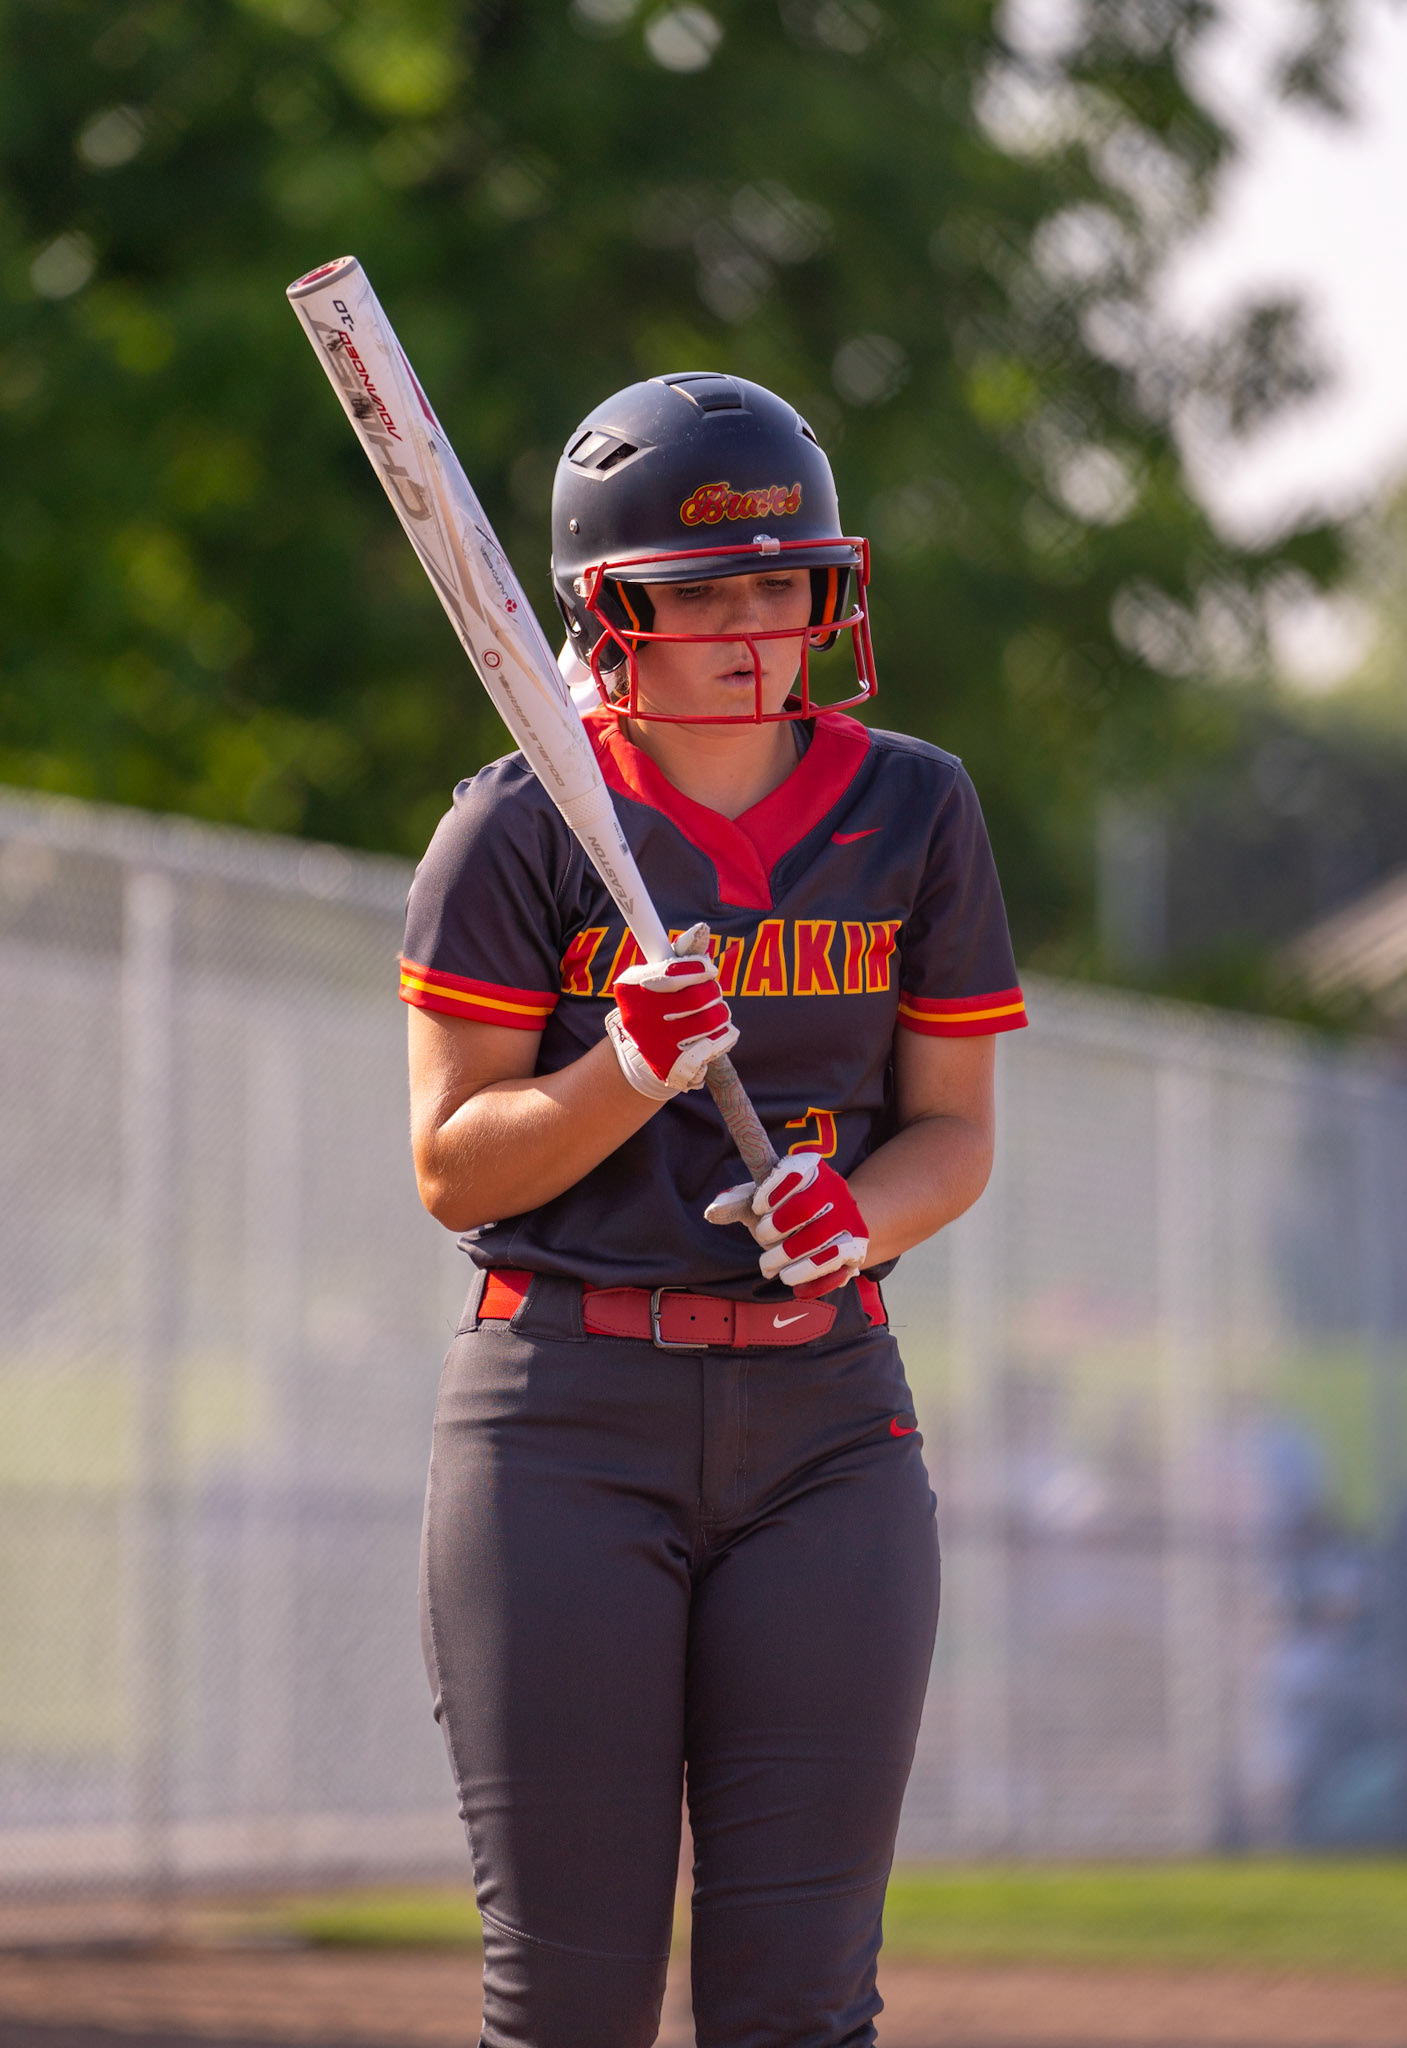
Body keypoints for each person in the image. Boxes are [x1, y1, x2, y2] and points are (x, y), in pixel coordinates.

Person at [402, 371, 1027, 2048]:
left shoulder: (917, 808)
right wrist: (625, 1068)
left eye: (785, 582)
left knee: (801, 2005)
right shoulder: (515, 828)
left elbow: (954, 1134)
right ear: (613, 614)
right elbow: (454, 1164)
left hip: (826, 1420)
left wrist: (859, 1220)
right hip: (562, 1419)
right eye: (701, 594)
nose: (756, 628)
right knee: (572, 2003)